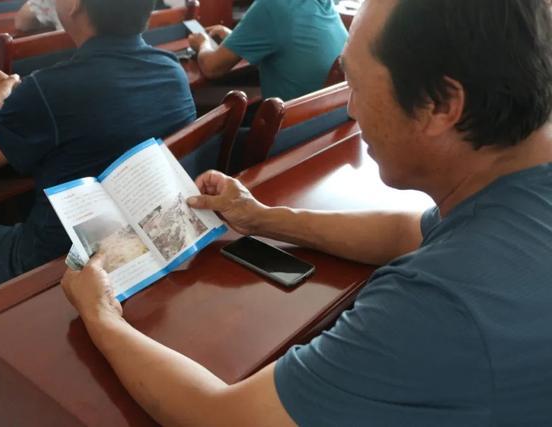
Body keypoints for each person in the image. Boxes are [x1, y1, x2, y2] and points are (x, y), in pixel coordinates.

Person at [62, 0, 552, 425]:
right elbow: (411, 231)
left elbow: (222, 416)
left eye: (358, 85)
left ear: (441, 105)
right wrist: (258, 216)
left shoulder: (443, 307)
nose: (352, 110)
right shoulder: (518, 186)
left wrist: (101, 315)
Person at [0, 0, 195, 419]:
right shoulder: (170, 70)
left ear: (75, 6)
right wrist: (23, 94)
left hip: (56, 262)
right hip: (144, 249)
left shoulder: (51, 90)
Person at [187, 0, 348, 101]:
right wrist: (237, 40)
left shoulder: (272, 5)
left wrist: (203, 42)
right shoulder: (324, 3)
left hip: (290, 131)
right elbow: (295, 47)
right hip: (327, 123)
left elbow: (212, 68)